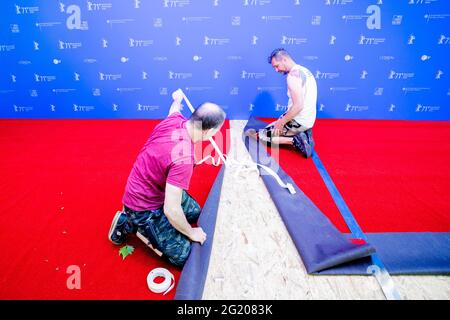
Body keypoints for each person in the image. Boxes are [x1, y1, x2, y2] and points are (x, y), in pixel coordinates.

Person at [108, 89, 226, 267]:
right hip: (142, 206)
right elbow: (171, 210)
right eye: (217, 130)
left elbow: (174, 108)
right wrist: (191, 233)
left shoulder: (175, 120)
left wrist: (177, 99)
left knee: (194, 212)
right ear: (208, 132)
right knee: (184, 255)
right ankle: (129, 222)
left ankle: (146, 221)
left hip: (156, 187)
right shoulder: (184, 158)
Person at [257, 48, 317, 158]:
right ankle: (304, 132)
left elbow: (299, 105)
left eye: (276, 66)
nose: (276, 70)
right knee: (271, 126)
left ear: (284, 59)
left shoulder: (292, 76)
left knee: (262, 135)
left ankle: (295, 140)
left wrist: (282, 122)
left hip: (298, 121)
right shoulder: (305, 71)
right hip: (308, 120)